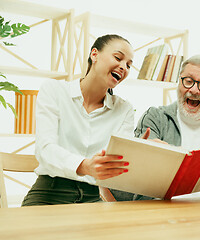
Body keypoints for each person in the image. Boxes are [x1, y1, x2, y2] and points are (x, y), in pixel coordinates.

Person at [108, 55, 200, 201]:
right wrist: (140, 157)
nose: (193, 90)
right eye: (188, 81)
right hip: (162, 214)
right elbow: (132, 179)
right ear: (179, 82)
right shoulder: (155, 118)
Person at [22, 34, 137, 206]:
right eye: (118, 58)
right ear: (94, 55)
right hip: (48, 194)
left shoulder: (124, 109)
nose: (123, 67)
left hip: (92, 198)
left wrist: (143, 152)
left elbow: (117, 162)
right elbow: (45, 150)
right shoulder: (54, 90)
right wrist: (85, 166)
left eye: (128, 65)